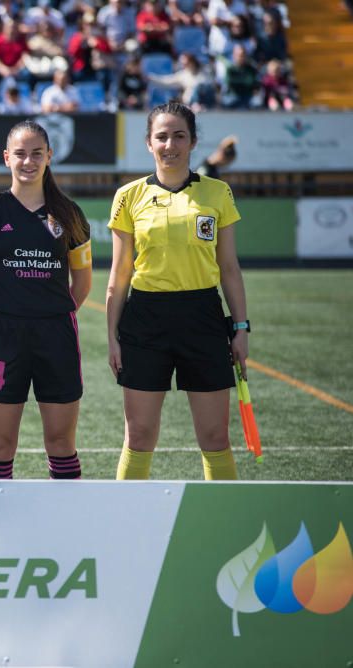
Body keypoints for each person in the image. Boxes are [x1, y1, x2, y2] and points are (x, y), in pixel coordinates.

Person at [106, 102, 249, 481]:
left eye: (179, 136)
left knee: (215, 437)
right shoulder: (128, 196)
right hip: (144, 321)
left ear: (193, 141)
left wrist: (242, 328)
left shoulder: (217, 193)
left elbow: (230, 269)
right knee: (139, 436)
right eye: (162, 136)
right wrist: (112, 338)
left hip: (202, 317)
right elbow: (119, 274)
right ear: (149, 143)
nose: (170, 144)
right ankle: (126, 530)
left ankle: (225, 530)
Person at [0, 121, 92, 480]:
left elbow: (82, 281)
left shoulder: (70, 214)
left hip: (57, 336)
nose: (28, 161)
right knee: (0, 446)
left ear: (50, 156)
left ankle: (64, 529)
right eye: (20, 154)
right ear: (7, 158)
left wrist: (53, 313)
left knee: (61, 443)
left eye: (37, 153)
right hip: (3, 336)